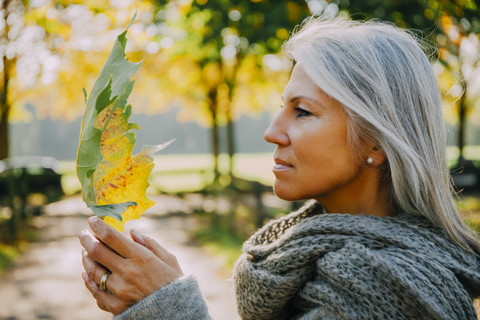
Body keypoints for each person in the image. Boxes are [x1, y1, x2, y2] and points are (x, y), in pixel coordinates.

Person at [78, 15, 480, 319]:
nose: (273, 132)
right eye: (281, 107)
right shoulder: (308, 256)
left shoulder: (388, 289)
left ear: (376, 141)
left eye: (302, 112)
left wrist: (167, 304)